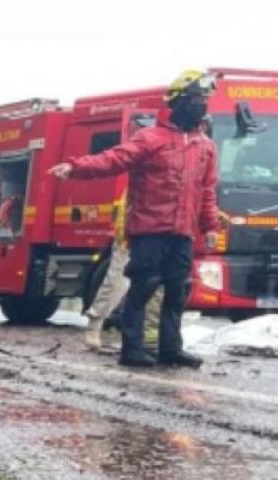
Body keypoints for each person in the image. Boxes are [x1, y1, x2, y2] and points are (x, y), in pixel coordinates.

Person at [49, 70, 220, 368]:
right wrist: (75, 167)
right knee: (143, 287)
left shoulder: (205, 146)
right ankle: (132, 348)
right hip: (150, 230)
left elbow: (206, 190)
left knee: (177, 292)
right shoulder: (151, 138)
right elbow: (113, 159)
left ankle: (170, 349)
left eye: (204, 99)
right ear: (178, 102)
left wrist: (209, 227)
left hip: (182, 233)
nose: (201, 105)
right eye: (195, 99)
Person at [84, 191, 162, 351]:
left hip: (159, 235)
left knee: (155, 286)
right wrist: (123, 233)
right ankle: (94, 325)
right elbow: (129, 203)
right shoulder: (145, 176)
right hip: (134, 233)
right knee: (117, 281)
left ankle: (148, 336)